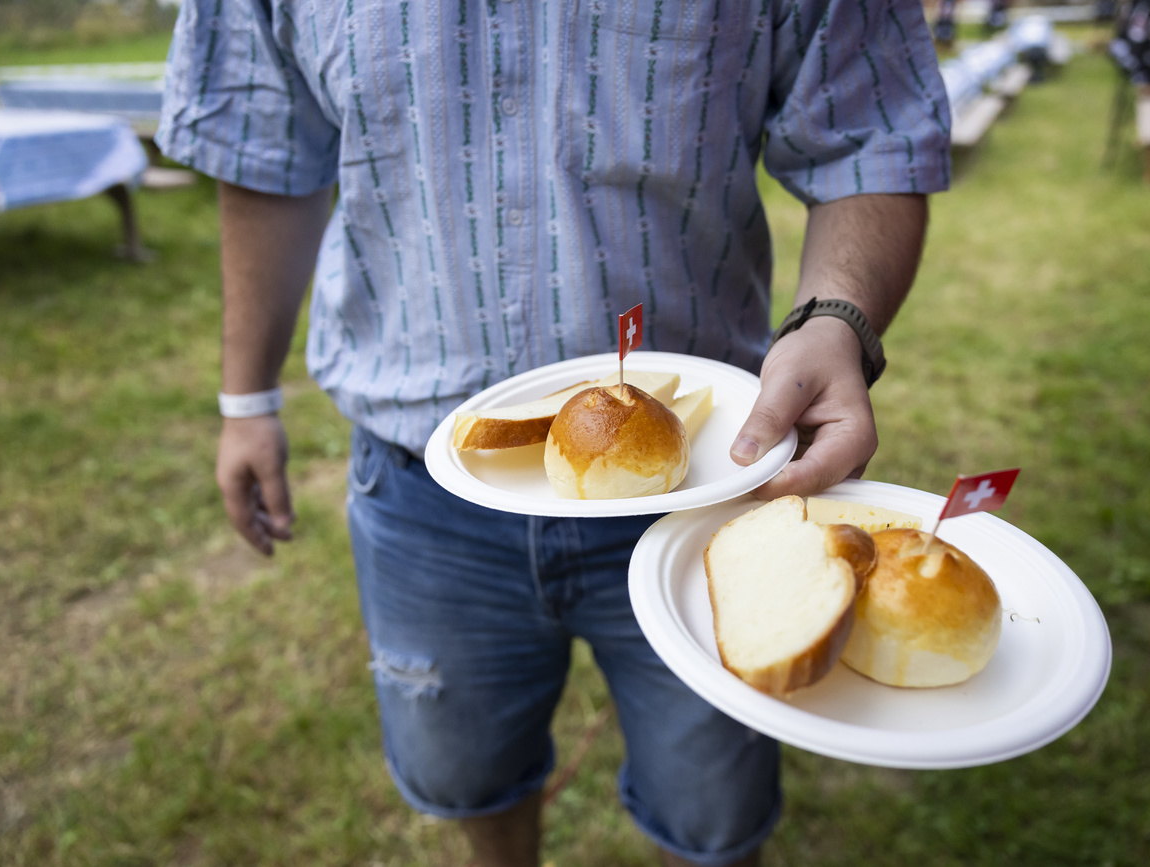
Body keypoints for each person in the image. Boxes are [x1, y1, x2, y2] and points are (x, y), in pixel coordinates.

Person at [157, 2, 949, 865]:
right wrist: (246, 399)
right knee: (467, 773)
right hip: (422, 490)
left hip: (709, 488)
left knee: (713, 807)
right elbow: (265, 149)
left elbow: (873, 133)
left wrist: (839, 318)